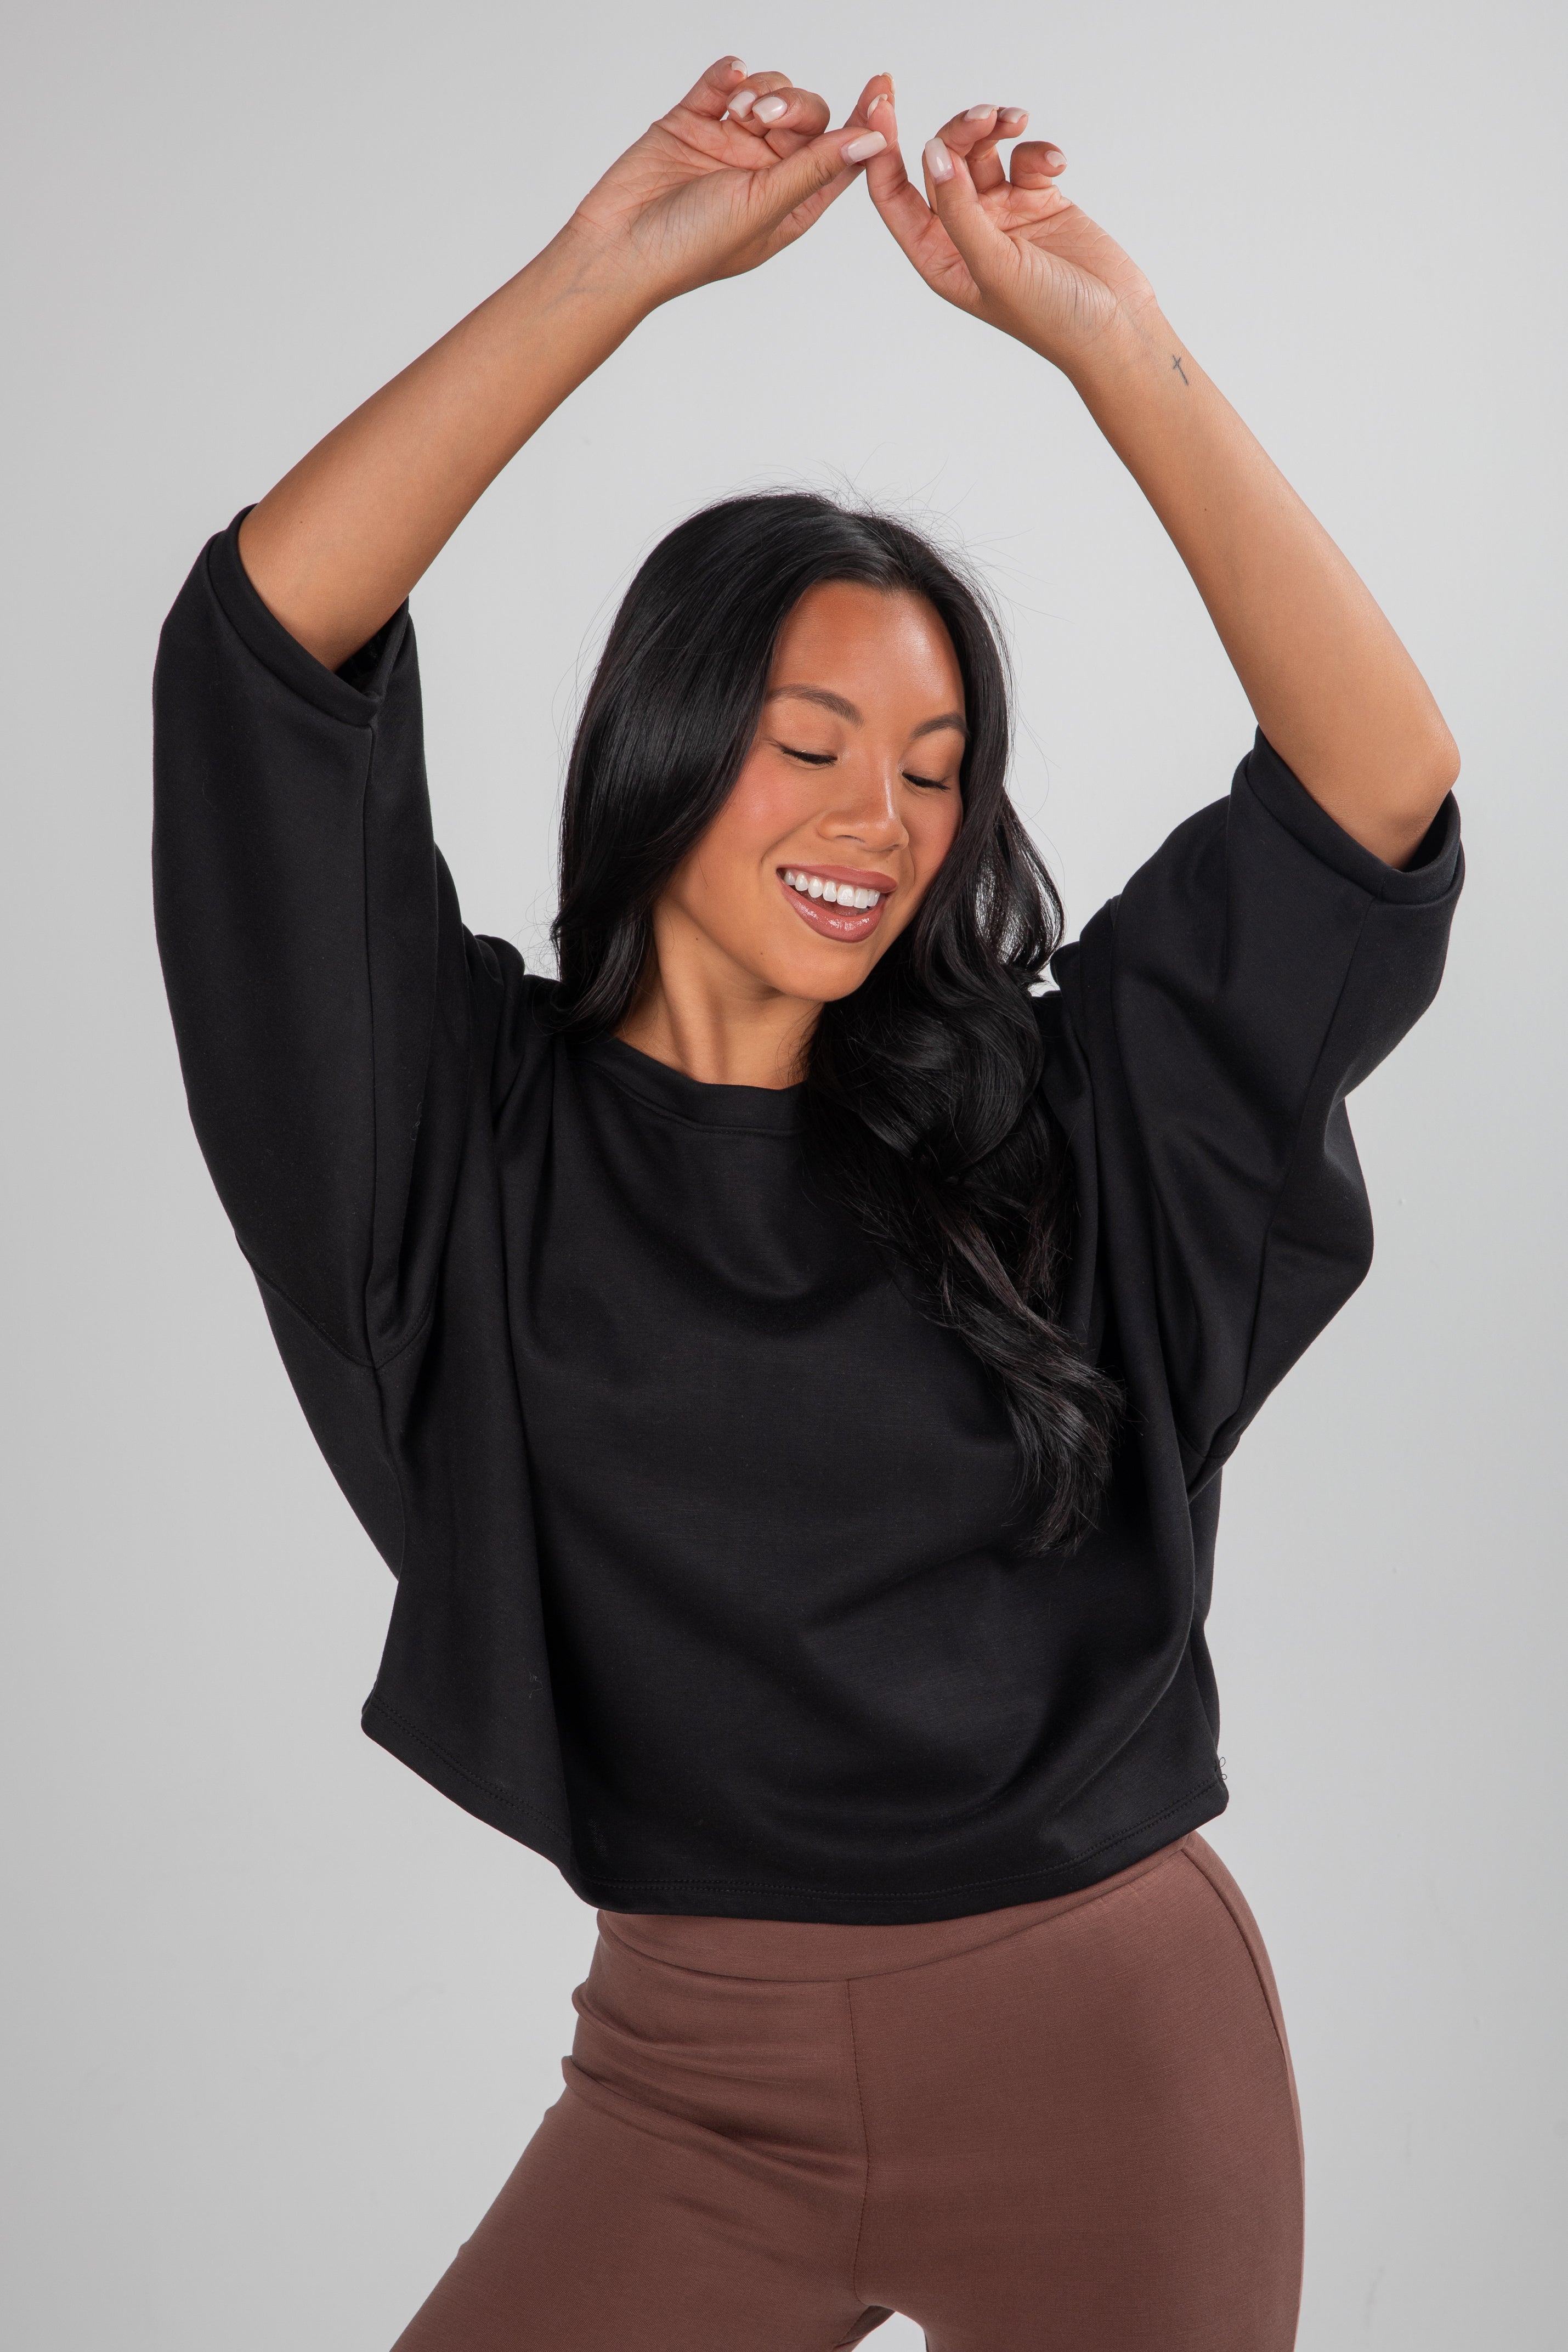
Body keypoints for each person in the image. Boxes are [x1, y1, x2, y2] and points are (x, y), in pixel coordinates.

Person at [152, 55, 1462, 2352]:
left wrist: (1111, 349)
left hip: (1113, 2047)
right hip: (687, 2079)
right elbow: (261, 655)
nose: (884, 813)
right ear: (669, 736)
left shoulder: (1054, 1116)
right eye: (813, 737)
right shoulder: (460, 1135)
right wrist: (605, 281)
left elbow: (1373, 791)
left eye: (940, 770)